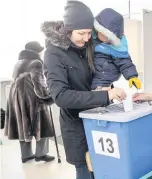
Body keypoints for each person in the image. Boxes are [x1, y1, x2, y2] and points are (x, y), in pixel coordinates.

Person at [40, 1, 126, 179]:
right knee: (86, 173)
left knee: (105, 171)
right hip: (76, 127)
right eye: (81, 33)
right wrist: (105, 95)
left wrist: (109, 87)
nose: (87, 38)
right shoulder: (53, 54)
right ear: (68, 29)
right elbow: (61, 97)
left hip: (99, 121)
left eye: (89, 32)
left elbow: (97, 75)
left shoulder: (87, 45)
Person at [5, 41, 55, 163]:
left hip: (16, 98)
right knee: (42, 126)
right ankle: (41, 154)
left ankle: (26, 155)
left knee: (22, 126)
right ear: (36, 51)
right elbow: (39, 85)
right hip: (31, 99)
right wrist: (48, 96)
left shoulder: (19, 62)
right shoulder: (36, 63)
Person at [91, 8, 141, 91]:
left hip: (105, 76)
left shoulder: (117, 46)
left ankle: (102, 97)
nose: (106, 39)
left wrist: (132, 76)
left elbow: (125, 62)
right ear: (97, 29)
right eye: (103, 35)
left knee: (101, 93)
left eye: (109, 37)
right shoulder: (91, 38)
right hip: (94, 72)